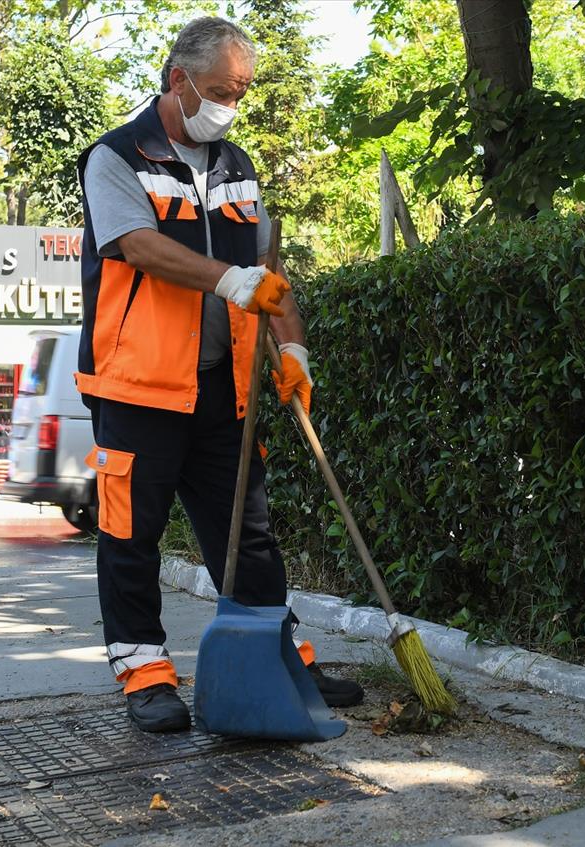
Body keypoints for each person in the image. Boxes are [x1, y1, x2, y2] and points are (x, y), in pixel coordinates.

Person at [75, 16, 362, 732]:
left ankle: (280, 658)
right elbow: (138, 247)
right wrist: (229, 282)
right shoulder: (117, 156)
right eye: (221, 90)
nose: (230, 104)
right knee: (131, 538)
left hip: (222, 391)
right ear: (178, 80)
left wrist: (292, 351)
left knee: (249, 537)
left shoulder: (238, 168)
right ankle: (145, 675)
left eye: (241, 92)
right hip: (138, 388)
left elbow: (270, 275)